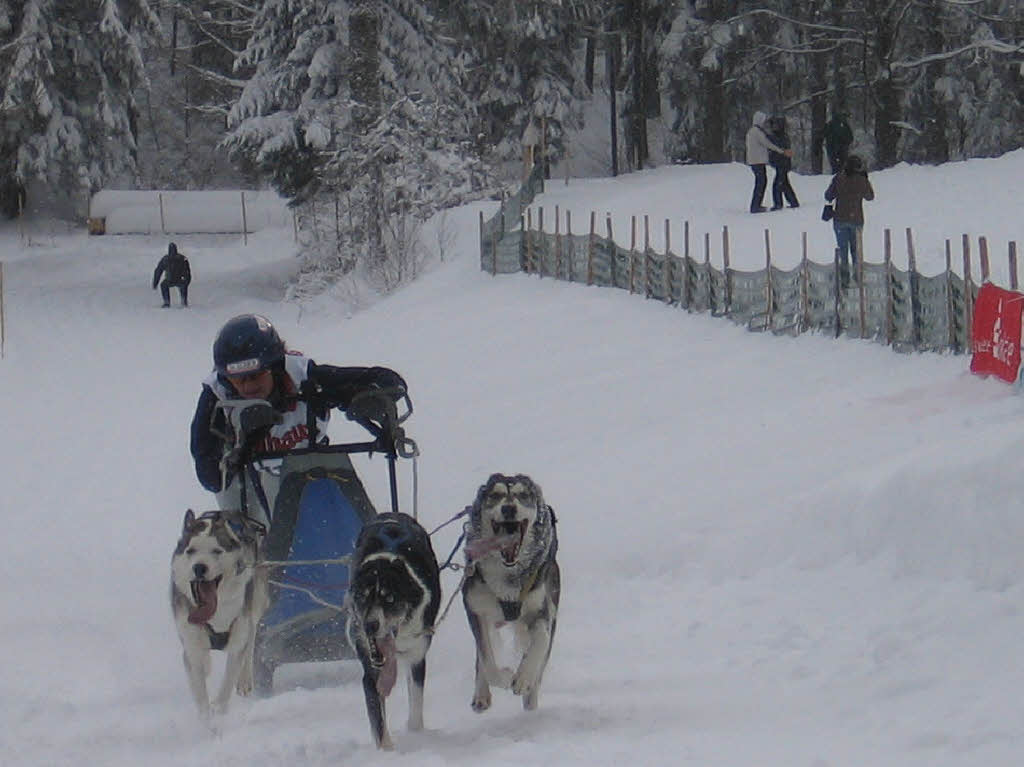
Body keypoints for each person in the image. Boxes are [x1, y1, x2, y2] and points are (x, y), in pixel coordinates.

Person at [189, 313, 407, 522]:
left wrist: (371, 398)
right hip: (243, 474)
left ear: (275, 367)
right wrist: (247, 435)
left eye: (256, 375)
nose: (248, 385)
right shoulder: (216, 396)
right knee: (241, 525)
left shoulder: (304, 376)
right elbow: (209, 476)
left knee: (309, 516)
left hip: (305, 464)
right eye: (237, 380)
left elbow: (386, 379)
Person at [824, 154, 874, 287]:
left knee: (843, 249)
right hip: (857, 219)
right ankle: (858, 276)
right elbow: (870, 196)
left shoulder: (838, 178)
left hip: (840, 219)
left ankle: (844, 279)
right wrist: (864, 180)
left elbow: (828, 195)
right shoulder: (862, 180)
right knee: (856, 250)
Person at [745, 111, 793, 213]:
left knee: (765, 182)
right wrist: (782, 151)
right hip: (758, 161)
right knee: (762, 182)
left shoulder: (752, 131)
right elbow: (767, 143)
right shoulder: (757, 132)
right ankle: (756, 206)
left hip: (755, 161)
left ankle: (757, 204)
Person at [767, 115, 799, 210]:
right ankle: (793, 201)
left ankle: (778, 204)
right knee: (784, 184)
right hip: (782, 163)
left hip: (782, 163)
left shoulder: (779, 137)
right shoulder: (782, 136)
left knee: (778, 184)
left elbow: (779, 149)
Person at [152, 242, 191, 307]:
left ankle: (183, 301)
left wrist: (187, 281)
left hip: (179, 279)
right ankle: (167, 302)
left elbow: (187, 271)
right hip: (170, 280)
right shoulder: (166, 259)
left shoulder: (182, 259)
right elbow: (158, 271)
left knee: (183, 286)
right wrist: (155, 283)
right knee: (164, 285)